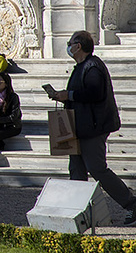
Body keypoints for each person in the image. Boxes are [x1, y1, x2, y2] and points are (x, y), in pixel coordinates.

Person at [45, 30, 136, 225]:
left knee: (96, 168)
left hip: (93, 127)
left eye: (70, 43)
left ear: (78, 46)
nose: (68, 46)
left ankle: (132, 204)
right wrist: (64, 96)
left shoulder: (93, 66)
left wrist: (68, 95)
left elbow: (94, 93)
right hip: (80, 127)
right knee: (76, 170)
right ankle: (82, 213)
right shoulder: (82, 66)